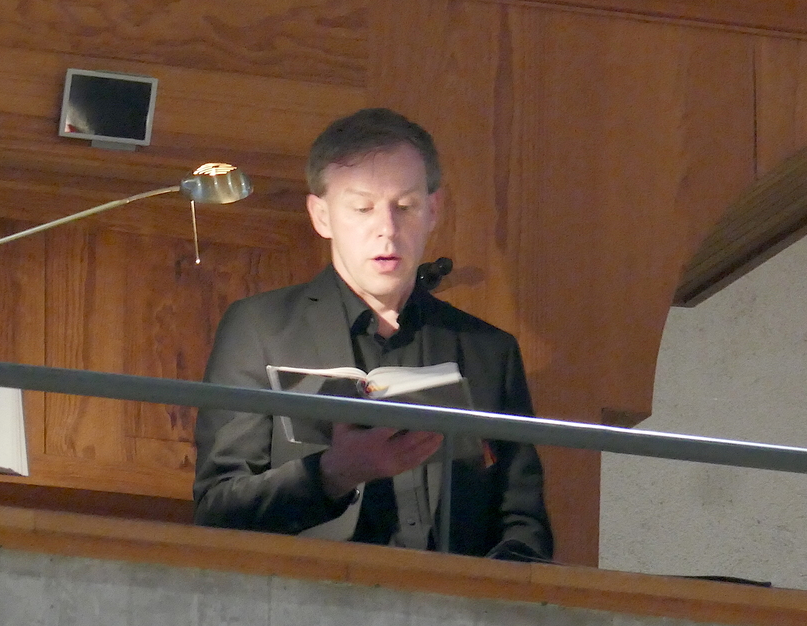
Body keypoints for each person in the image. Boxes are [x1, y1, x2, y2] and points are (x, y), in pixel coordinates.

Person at [192, 108, 553, 560]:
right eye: (362, 208)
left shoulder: (490, 351)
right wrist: (332, 474)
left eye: (405, 206)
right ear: (321, 216)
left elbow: (523, 522)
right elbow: (219, 509)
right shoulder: (259, 328)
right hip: (304, 590)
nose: (387, 229)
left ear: (434, 210)